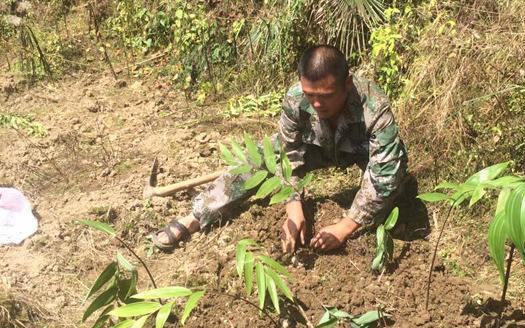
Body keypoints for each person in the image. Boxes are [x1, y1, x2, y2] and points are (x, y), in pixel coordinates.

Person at [152, 44, 409, 254]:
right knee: (258, 159)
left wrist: (345, 226)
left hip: (358, 150)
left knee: (395, 179)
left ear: (348, 83)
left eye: (327, 95)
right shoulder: (295, 98)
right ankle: (196, 216)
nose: (318, 104)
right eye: (311, 95)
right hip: (316, 147)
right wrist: (293, 206)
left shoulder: (373, 107)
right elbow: (289, 153)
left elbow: (384, 173)